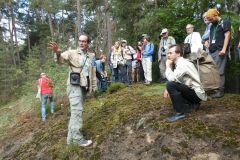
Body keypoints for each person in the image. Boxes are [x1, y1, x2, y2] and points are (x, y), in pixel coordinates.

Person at [48, 34, 97, 147]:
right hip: (74, 86)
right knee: (77, 111)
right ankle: (78, 140)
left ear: (88, 43)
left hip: (84, 86)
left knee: (75, 113)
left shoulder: (90, 56)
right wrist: (57, 52)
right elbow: (60, 61)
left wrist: (93, 87)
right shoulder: (71, 53)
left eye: (84, 41)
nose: (81, 43)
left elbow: (92, 72)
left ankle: (70, 141)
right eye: (80, 41)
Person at [164, 44, 207, 122]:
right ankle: (193, 105)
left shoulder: (182, 64)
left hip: (196, 94)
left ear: (178, 54)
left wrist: (167, 66)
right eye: (168, 53)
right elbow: (178, 80)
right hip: (195, 94)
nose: (168, 55)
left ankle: (180, 113)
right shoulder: (181, 63)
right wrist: (167, 89)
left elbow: (171, 79)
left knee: (170, 85)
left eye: (170, 53)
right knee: (171, 85)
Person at [205, 8, 231, 98]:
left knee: (220, 71)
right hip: (212, 50)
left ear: (215, 16)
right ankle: (214, 90)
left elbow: (227, 35)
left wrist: (224, 49)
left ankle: (220, 91)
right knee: (213, 71)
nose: (210, 21)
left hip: (220, 50)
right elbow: (210, 37)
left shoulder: (225, 22)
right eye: (208, 20)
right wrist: (207, 42)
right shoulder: (212, 25)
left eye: (211, 19)